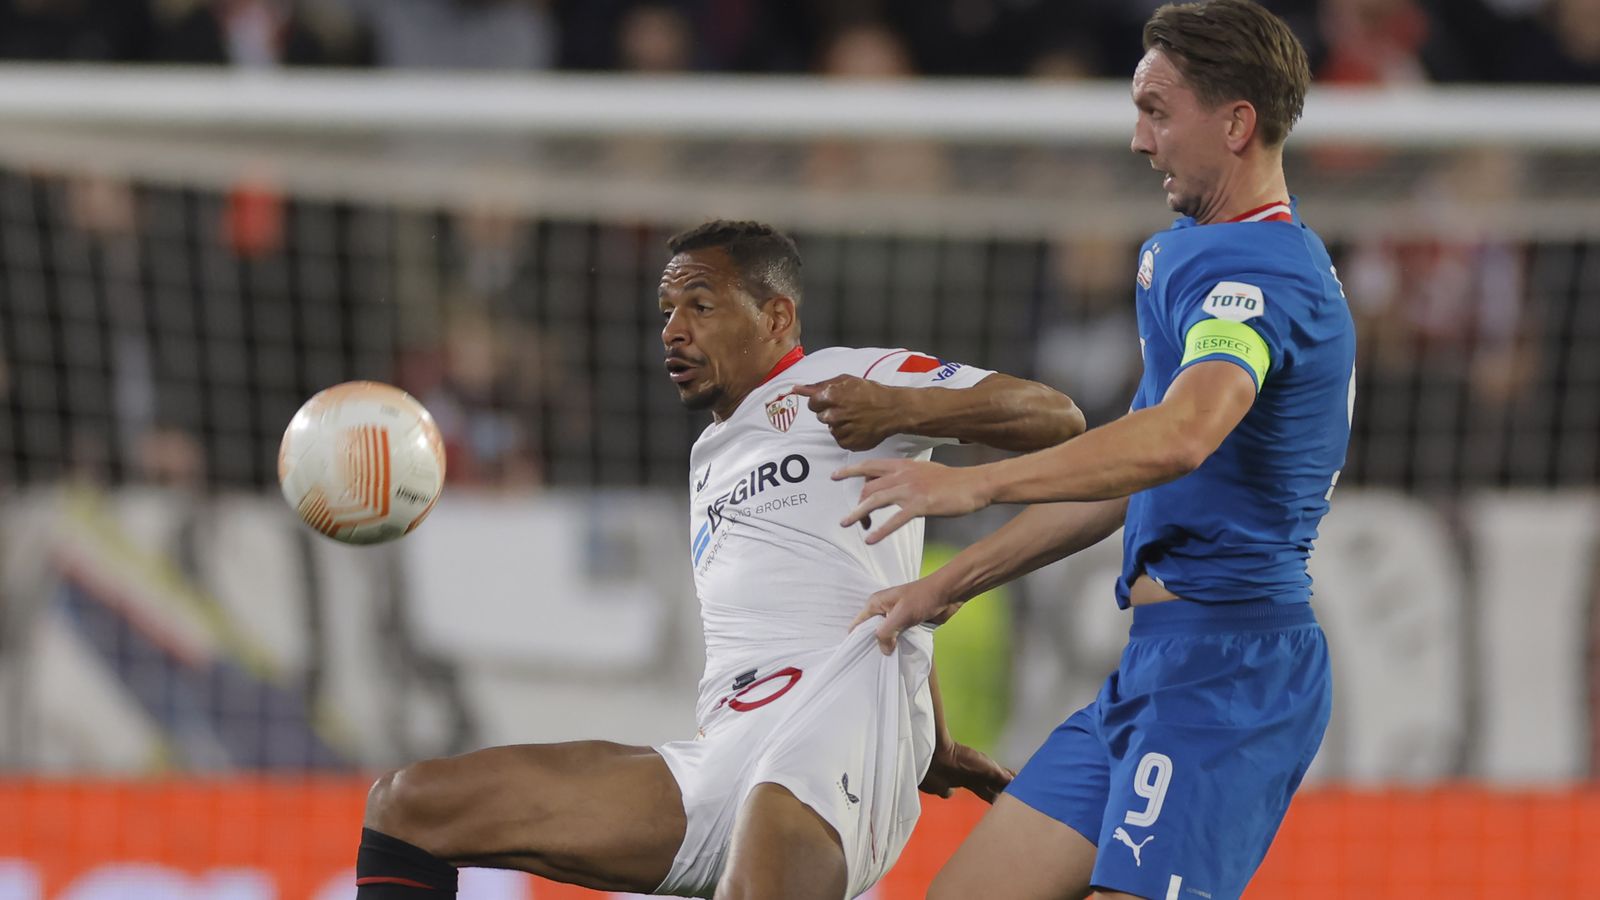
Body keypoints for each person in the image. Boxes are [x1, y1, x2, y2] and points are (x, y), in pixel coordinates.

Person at [353, 219, 1086, 899]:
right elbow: (854, 576)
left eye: (700, 306)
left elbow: (1057, 416)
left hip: (827, 737)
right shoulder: (710, 456)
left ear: (775, 317)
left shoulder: (854, 378)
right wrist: (934, 738)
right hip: (727, 750)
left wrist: (905, 410)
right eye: (667, 311)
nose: (674, 330)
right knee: (409, 806)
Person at [839, 2, 1357, 898]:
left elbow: (1184, 435)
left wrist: (971, 485)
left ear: (1236, 123)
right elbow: (1133, 475)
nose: (1137, 139)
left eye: (1158, 110)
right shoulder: (1196, 258)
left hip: (1231, 672)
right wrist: (945, 586)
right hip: (1156, 663)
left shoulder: (1256, 271)